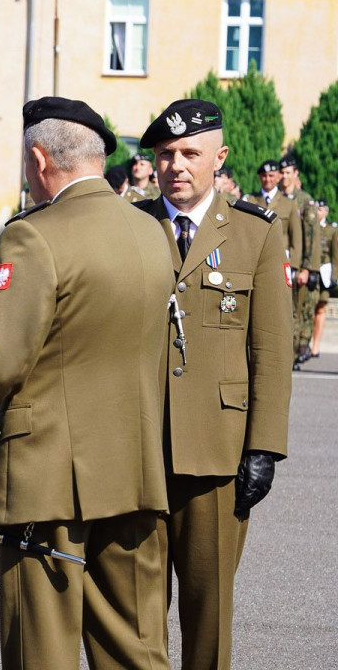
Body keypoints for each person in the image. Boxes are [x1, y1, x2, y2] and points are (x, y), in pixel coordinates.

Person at [0, 97, 174, 670]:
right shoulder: (151, 232)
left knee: (39, 652)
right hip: (136, 470)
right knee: (135, 650)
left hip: (49, 477)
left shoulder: (32, 236)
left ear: (40, 159)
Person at [131, 99, 292, 670]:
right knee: (136, 619)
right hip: (136, 452)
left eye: (190, 154)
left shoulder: (254, 234)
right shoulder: (132, 228)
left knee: (209, 615)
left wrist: (265, 448)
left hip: (218, 454)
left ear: (218, 158)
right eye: (166, 154)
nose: (176, 165)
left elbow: (271, 349)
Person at [280, 158, 322, 366]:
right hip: (282, 261)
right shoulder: (277, 198)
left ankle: (296, 351)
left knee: (298, 309)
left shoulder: (304, 200)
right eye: (283, 173)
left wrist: (307, 267)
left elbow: (311, 237)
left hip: (299, 264)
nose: (285, 176)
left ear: (296, 174)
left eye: (288, 173)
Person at [312, 200, 333, 358]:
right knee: (307, 310)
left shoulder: (332, 230)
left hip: (324, 274)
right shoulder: (310, 227)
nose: (317, 212)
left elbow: (336, 254)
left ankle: (316, 346)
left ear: (325, 211)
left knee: (320, 308)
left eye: (319, 209)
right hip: (310, 272)